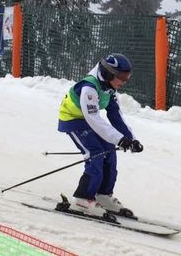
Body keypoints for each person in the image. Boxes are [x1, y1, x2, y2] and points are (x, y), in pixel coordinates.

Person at [58, 53, 143, 217]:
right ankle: (83, 198)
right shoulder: (89, 88)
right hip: (73, 120)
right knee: (95, 152)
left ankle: (103, 195)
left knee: (109, 150)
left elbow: (116, 116)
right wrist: (119, 138)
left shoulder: (110, 89)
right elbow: (94, 119)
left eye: (127, 77)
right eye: (122, 77)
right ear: (109, 74)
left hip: (87, 120)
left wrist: (130, 140)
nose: (124, 81)